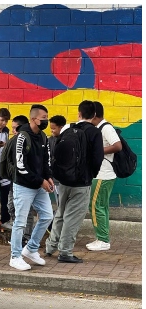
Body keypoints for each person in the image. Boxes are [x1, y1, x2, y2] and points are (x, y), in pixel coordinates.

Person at [45, 101, 104, 263]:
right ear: (93, 116)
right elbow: (98, 157)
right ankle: (65, 252)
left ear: (79, 114)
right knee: (73, 217)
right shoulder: (94, 132)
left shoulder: (68, 130)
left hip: (63, 181)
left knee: (60, 213)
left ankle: (50, 247)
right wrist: (90, 174)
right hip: (81, 183)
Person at [9, 104, 54, 271]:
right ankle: (15, 256)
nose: (46, 122)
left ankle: (31, 249)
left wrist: (48, 177)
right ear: (33, 119)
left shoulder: (43, 137)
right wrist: (40, 181)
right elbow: (21, 166)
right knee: (20, 222)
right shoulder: (22, 137)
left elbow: (46, 161)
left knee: (47, 216)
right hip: (24, 186)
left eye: (46, 119)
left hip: (39, 185)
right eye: (43, 119)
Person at [86, 101, 122, 251]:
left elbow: (117, 146)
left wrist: (97, 151)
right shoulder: (100, 127)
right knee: (102, 206)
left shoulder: (106, 127)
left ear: (94, 114)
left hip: (103, 174)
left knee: (95, 206)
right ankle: (102, 237)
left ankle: (103, 240)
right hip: (103, 174)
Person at [5, 115, 34, 240]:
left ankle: (26, 236)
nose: (13, 131)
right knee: (11, 206)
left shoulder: (29, 141)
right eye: (12, 128)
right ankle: (19, 231)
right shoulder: (13, 141)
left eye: (15, 128)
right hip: (14, 181)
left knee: (27, 211)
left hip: (26, 182)